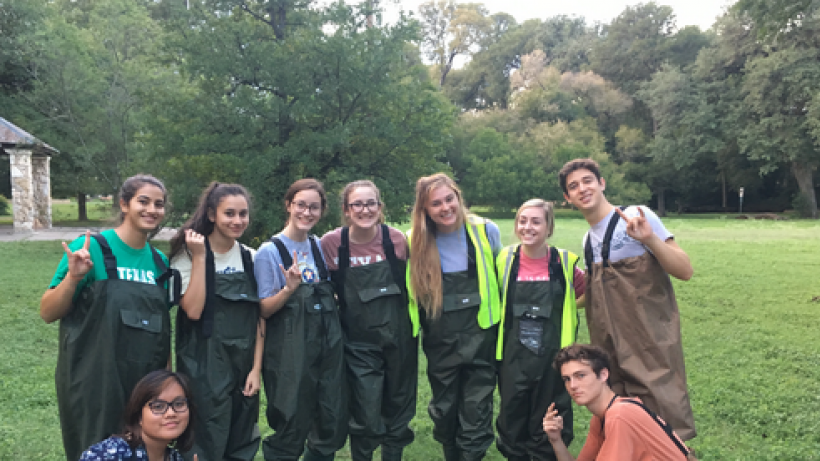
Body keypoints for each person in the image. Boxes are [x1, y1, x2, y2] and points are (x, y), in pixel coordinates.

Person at [40, 174, 177, 461]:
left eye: (159, 204)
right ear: (124, 204)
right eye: (143, 201)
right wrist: (73, 278)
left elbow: (162, 330)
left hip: (144, 384)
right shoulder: (92, 248)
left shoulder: (159, 263)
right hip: (94, 381)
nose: (152, 210)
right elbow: (48, 312)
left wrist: (165, 382)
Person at [558, 158, 696, 440]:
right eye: (574, 186)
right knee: (622, 423)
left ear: (601, 183)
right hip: (609, 349)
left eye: (587, 181)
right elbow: (592, 295)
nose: (582, 189)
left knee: (664, 423)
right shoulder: (588, 241)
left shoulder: (636, 216)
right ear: (567, 198)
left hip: (649, 342)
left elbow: (685, 270)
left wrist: (649, 239)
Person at [407, 173, 501, 461]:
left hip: (481, 337)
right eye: (436, 203)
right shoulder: (413, 242)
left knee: (476, 407)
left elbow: (501, 277)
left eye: (449, 199)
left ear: (459, 198)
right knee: (445, 410)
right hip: (440, 341)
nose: (445, 207)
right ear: (425, 209)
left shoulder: (486, 231)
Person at [320, 180, 417, 461]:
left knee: (399, 407)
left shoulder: (396, 240)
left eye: (371, 203)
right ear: (346, 210)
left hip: (399, 339)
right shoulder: (332, 244)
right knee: (365, 410)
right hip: (358, 344)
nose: (365, 210)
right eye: (358, 204)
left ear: (380, 206)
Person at [169, 182, 263, 461]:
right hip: (203, 365)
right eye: (229, 213)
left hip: (243, 366)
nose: (238, 221)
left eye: (243, 214)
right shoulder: (187, 255)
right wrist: (200, 258)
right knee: (205, 439)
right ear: (212, 214)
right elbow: (193, 310)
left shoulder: (251, 258)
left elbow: (260, 319)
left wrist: (256, 369)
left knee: (242, 439)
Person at [255, 178, 346, 461]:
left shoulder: (320, 246)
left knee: (329, 418)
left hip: (327, 350)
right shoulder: (270, 252)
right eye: (301, 205)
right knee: (290, 422)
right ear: (288, 205)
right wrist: (288, 290)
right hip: (289, 356)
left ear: (322, 211)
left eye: (314, 207)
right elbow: (263, 310)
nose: (307, 213)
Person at [495, 199, 586, 461]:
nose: (528, 227)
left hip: (553, 359)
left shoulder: (564, 263)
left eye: (536, 222)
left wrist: (570, 305)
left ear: (549, 227)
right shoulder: (504, 260)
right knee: (512, 418)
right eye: (522, 221)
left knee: (549, 417)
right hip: (512, 358)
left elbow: (587, 293)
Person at [542, 344, 695, 461]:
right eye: (567, 379)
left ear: (603, 375)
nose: (573, 385)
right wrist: (556, 440)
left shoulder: (620, 415)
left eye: (580, 375)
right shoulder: (602, 417)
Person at [79, 370, 195, 461]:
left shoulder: (174, 457)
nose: (171, 413)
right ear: (139, 415)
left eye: (179, 404)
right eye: (158, 406)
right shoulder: (109, 454)